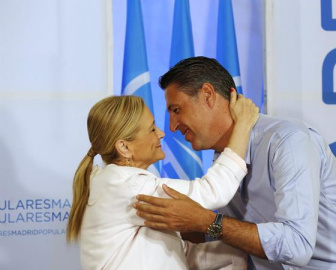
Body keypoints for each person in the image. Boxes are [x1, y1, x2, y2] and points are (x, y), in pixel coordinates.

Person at [134, 56, 336, 270]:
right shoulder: (224, 162)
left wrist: (204, 221)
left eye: (176, 110)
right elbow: (222, 228)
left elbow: (297, 246)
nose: (171, 126)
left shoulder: (286, 141)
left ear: (207, 95)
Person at [66, 93, 259, 270]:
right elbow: (213, 191)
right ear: (124, 147)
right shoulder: (131, 186)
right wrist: (243, 125)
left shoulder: (114, 182)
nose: (161, 133)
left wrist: (248, 248)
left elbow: (174, 255)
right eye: (151, 129)